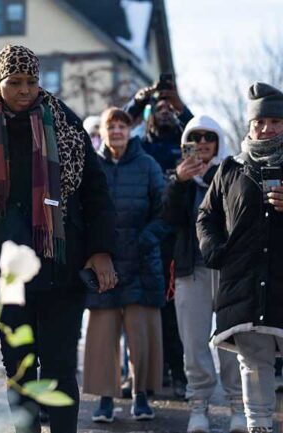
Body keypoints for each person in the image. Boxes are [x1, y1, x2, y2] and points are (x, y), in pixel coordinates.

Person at [0, 45, 115, 433]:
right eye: (15, 82)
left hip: (61, 267)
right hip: (9, 274)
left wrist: (102, 251)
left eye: (31, 82)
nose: (24, 90)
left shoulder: (66, 124)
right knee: (19, 369)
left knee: (57, 368)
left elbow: (96, 194)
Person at [197, 82, 283, 433]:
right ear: (249, 125)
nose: (266, 128)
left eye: (275, 121)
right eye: (259, 122)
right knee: (254, 360)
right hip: (244, 281)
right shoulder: (230, 169)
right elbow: (206, 217)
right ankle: (258, 425)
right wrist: (216, 251)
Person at [83, 107, 167, 423]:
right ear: (102, 133)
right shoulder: (91, 167)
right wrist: (94, 250)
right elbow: (83, 211)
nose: (116, 131)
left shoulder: (148, 166)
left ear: (130, 130)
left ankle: (141, 395)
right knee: (103, 336)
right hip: (103, 262)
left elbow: (165, 212)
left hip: (142, 262)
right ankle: (105, 399)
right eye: (110, 126)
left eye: (122, 125)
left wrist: (146, 240)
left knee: (141, 335)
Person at [163, 114, 245, 433]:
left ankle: (238, 404)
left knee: (231, 341)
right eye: (194, 139)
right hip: (189, 268)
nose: (201, 145)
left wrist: (213, 176)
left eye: (208, 138)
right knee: (193, 343)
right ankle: (199, 405)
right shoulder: (178, 178)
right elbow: (168, 218)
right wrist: (178, 183)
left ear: (219, 141)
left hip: (227, 269)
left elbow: (237, 212)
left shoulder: (233, 171)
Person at [125, 80, 194, 398]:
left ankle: (178, 374)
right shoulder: (141, 145)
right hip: (145, 235)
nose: (165, 111)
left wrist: (180, 105)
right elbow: (120, 128)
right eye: (159, 107)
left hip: (177, 236)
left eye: (171, 109)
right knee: (140, 305)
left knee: (172, 310)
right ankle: (141, 375)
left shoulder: (183, 144)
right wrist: (139, 102)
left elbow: (198, 131)